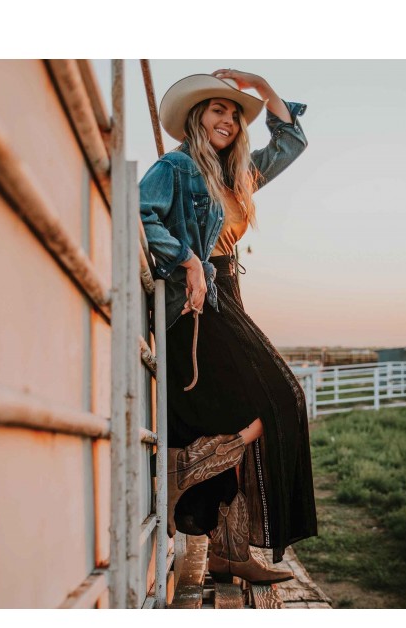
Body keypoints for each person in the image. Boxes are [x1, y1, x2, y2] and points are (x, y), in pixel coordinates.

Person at [140, 69, 317, 585]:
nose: (229, 121)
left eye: (235, 115)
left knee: (247, 414)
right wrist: (188, 259)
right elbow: (141, 210)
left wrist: (260, 86)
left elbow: (292, 141)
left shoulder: (235, 173)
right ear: (197, 118)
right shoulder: (176, 166)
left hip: (227, 296)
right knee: (281, 397)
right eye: (217, 110)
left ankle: (227, 549)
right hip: (197, 304)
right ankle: (181, 478)